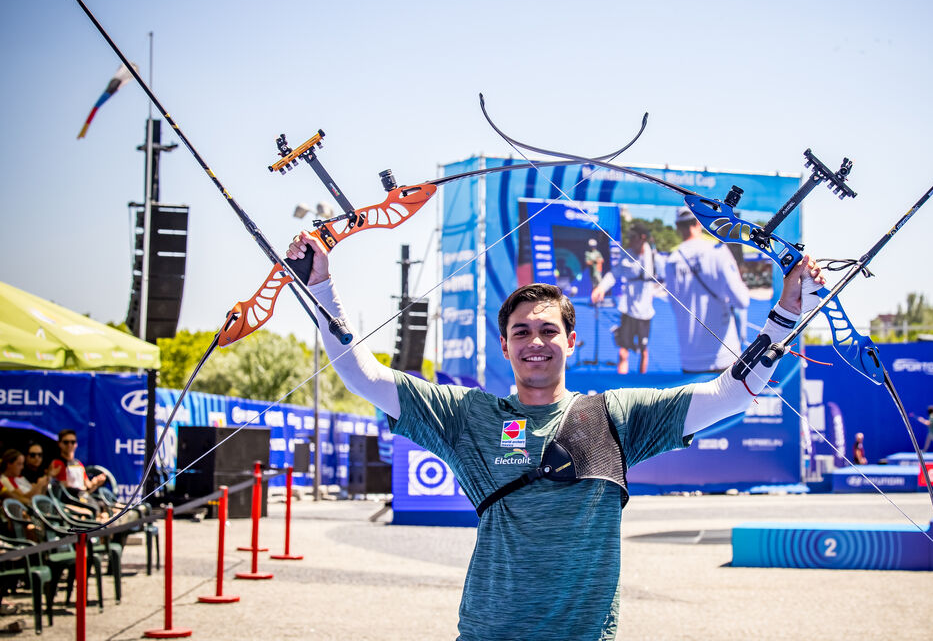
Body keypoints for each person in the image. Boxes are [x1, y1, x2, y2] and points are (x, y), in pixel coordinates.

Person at [287, 232, 823, 641]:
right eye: (521, 331)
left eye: (548, 331)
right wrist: (321, 287)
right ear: (505, 346)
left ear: (571, 340)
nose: (535, 342)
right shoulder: (469, 416)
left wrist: (787, 313)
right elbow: (365, 376)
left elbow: (729, 395)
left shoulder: (615, 415)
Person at [664, 207, 751, 373]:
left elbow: (674, 305)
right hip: (724, 356)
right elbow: (742, 301)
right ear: (699, 223)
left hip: (690, 359)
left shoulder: (671, 261)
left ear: (677, 226)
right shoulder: (717, 252)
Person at [590, 223, 664, 374]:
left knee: (644, 351)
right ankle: (620, 386)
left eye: (633, 237)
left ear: (642, 238)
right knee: (623, 351)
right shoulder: (627, 254)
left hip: (645, 314)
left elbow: (665, 279)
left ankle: (643, 383)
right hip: (628, 312)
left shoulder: (655, 257)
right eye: (629, 237)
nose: (629, 241)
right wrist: (601, 287)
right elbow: (614, 274)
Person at [47, 429, 106, 498]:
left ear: (76, 444)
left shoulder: (78, 464)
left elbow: (87, 487)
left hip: (80, 499)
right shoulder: (58, 463)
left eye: (72, 442)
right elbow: (66, 489)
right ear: (59, 444)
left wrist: (96, 483)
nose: (69, 445)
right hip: (67, 502)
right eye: (66, 442)